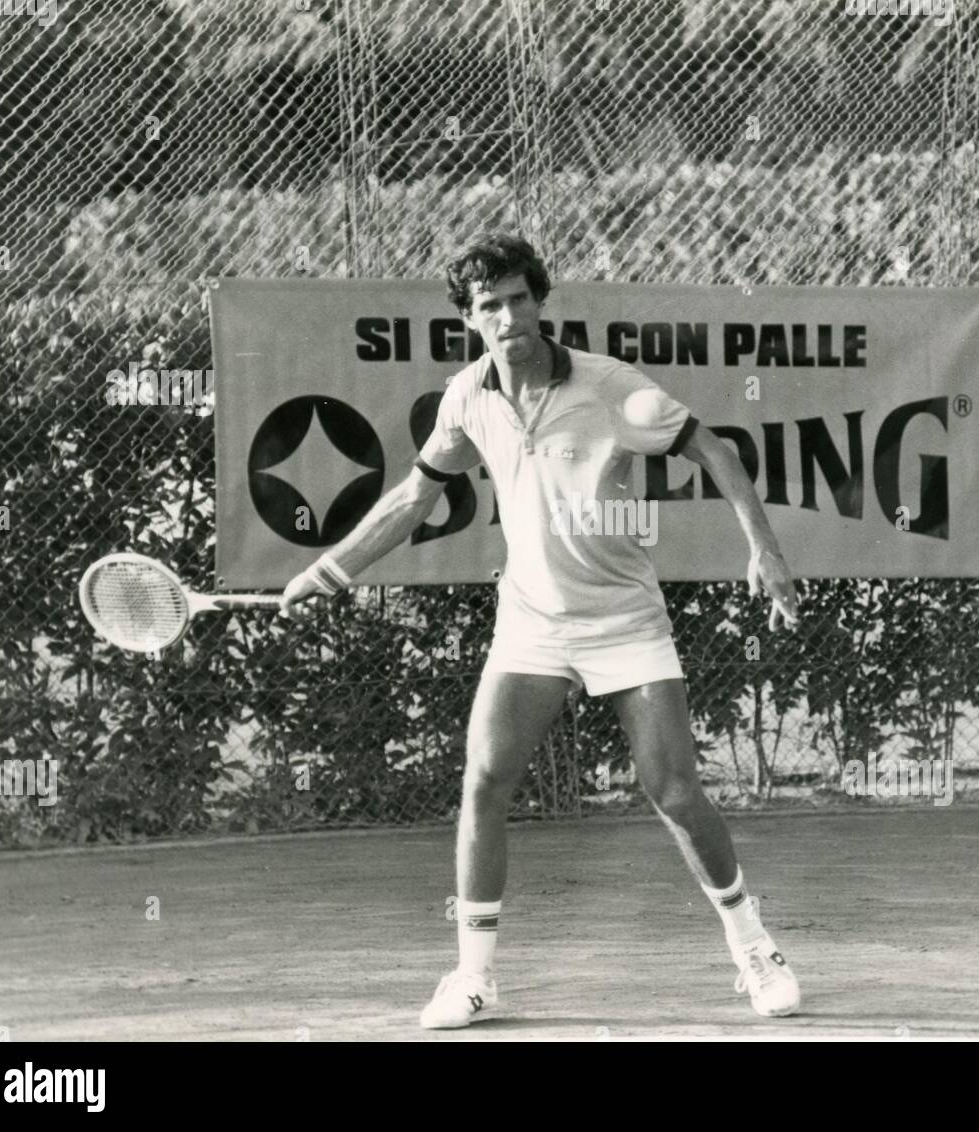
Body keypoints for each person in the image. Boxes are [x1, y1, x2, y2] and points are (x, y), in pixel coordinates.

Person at [281, 234, 802, 1029]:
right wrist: (329, 569)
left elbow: (713, 447)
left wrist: (762, 548)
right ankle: (474, 977)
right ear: (470, 318)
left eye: (520, 298)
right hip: (531, 622)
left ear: (539, 302)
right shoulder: (467, 397)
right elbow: (416, 496)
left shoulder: (607, 386)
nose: (509, 315)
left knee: (672, 789)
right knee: (484, 781)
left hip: (625, 619)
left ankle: (753, 948)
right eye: (490, 304)